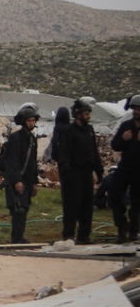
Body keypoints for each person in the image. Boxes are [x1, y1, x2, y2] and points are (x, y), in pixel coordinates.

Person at [56, 97, 104, 244]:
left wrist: (99, 170)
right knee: (72, 206)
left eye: (88, 113)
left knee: (87, 206)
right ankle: (69, 236)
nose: (88, 116)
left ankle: (84, 236)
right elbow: (63, 155)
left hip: (87, 173)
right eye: (85, 113)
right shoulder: (68, 132)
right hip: (73, 174)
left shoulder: (89, 130)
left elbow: (94, 151)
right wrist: (67, 174)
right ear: (77, 114)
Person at [0, 104, 41, 244]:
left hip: (28, 181)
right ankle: (16, 238)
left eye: (33, 120)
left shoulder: (32, 140)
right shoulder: (16, 138)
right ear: (23, 121)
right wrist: (17, 181)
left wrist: (35, 182)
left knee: (24, 208)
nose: (31, 123)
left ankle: (19, 237)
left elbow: (33, 162)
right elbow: (13, 161)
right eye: (29, 120)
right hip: (16, 180)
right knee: (18, 210)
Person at [110, 93, 140, 243]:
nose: (137, 112)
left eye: (139, 109)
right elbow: (115, 145)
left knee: (137, 202)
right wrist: (123, 139)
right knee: (114, 195)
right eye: (135, 109)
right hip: (125, 167)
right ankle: (122, 226)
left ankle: (134, 231)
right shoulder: (126, 125)